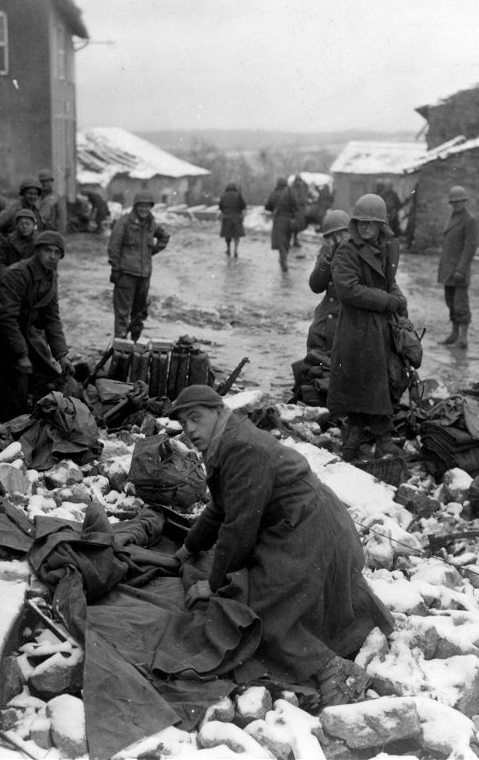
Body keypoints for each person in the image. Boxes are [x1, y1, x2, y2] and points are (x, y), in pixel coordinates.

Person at [169, 385, 392, 705]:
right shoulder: (225, 440)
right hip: (300, 521)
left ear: (219, 412)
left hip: (309, 528)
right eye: (183, 422)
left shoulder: (240, 447)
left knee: (252, 607)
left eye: (195, 418)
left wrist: (213, 584)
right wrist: (190, 548)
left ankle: (333, 668)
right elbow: (221, 507)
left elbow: (238, 529)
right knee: (262, 591)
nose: (189, 429)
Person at [328, 194, 408, 461]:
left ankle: (362, 440)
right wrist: (387, 301)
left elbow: (388, 281)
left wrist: (399, 301)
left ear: (381, 225)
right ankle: (374, 440)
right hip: (357, 328)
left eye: (371, 223)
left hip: (380, 326)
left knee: (378, 382)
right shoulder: (347, 250)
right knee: (363, 383)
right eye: (361, 222)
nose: (365, 228)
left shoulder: (385, 247)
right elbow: (347, 290)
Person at [0, 230, 73, 422]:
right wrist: (21, 353)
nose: (52, 256)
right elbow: (6, 317)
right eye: (47, 251)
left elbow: (52, 318)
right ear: (37, 252)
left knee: (39, 374)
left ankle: (14, 416)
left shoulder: (51, 277)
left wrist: (62, 355)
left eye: (57, 252)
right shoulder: (18, 273)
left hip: (21, 327)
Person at [107, 191, 170, 341]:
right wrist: (115, 268)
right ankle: (121, 347)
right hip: (126, 274)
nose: (144, 210)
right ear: (135, 207)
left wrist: (150, 252)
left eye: (147, 207)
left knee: (139, 313)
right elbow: (113, 246)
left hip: (144, 275)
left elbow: (165, 236)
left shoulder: (151, 224)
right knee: (122, 313)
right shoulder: (124, 222)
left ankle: (135, 343)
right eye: (141, 206)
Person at [437, 185, 478, 348]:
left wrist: (461, 269)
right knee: (450, 302)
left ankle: (463, 338)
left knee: (461, 305)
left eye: (459, 201)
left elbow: (470, 247)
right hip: (448, 270)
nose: (456, 204)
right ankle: (454, 334)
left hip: (459, 271)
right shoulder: (452, 217)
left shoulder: (470, 220)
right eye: (453, 202)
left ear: (465, 202)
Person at [306, 209, 350, 354]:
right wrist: (327, 259)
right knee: (315, 336)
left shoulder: (357, 252)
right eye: (331, 236)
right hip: (327, 313)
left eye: (341, 234)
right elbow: (315, 286)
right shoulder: (326, 252)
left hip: (349, 314)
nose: (336, 240)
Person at [0, 209, 37, 289]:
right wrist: (8, 275)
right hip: (11, 281)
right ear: (16, 225)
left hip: (33, 282)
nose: (25, 227)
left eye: (28, 224)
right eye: (22, 224)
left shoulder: (39, 242)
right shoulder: (7, 240)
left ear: (33, 225)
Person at [264, 176, 298, 272]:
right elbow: (296, 206)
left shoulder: (274, 193)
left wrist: (274, 208)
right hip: (289, 220)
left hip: (278, 220)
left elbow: (267, 206)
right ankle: (284, 258)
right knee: (287, 240)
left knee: (281, 241)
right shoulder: (290, 193)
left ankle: (283, 260)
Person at [217, 182, 246, 258]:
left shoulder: (224, 196)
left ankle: (228, 249)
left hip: (227, 217)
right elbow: (243, 206)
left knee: (228, 235)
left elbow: (220, 206)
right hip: (236, 217)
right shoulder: (238, 195)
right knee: (236, 235)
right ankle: (236, 249)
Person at [37, 168, 67, 234]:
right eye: (42, 182)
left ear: (51, 182)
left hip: (52, 231)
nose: (45, 184)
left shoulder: (57, 198)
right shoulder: (36, 197)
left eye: (47, 181)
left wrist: (60, 233)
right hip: (38, 232)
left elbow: (62, 218)